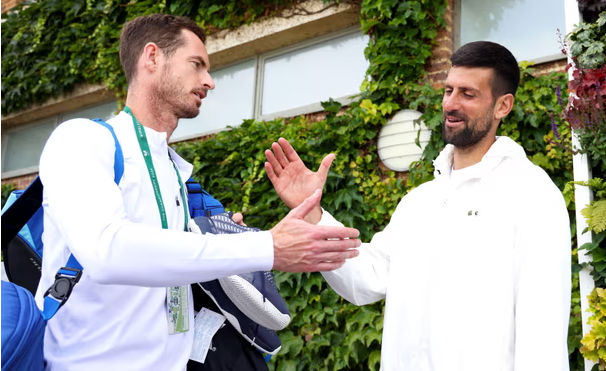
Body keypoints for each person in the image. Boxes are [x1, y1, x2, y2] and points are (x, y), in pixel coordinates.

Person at [34, 14, 361, 370]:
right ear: (152, 57)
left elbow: (170, 269)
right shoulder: (82, 139)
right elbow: (107, 251)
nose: (209, 81)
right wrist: (267, 246)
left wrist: (218, 234)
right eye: (197, 65)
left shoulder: (175, 171)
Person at [265, 41, 572, 370]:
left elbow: (542, 330)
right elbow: (366, 278)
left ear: (502, 106)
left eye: (468, 94)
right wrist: (311, 212)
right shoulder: (419, 201)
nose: (451, 104)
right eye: (448, 90)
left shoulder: (530, 192)